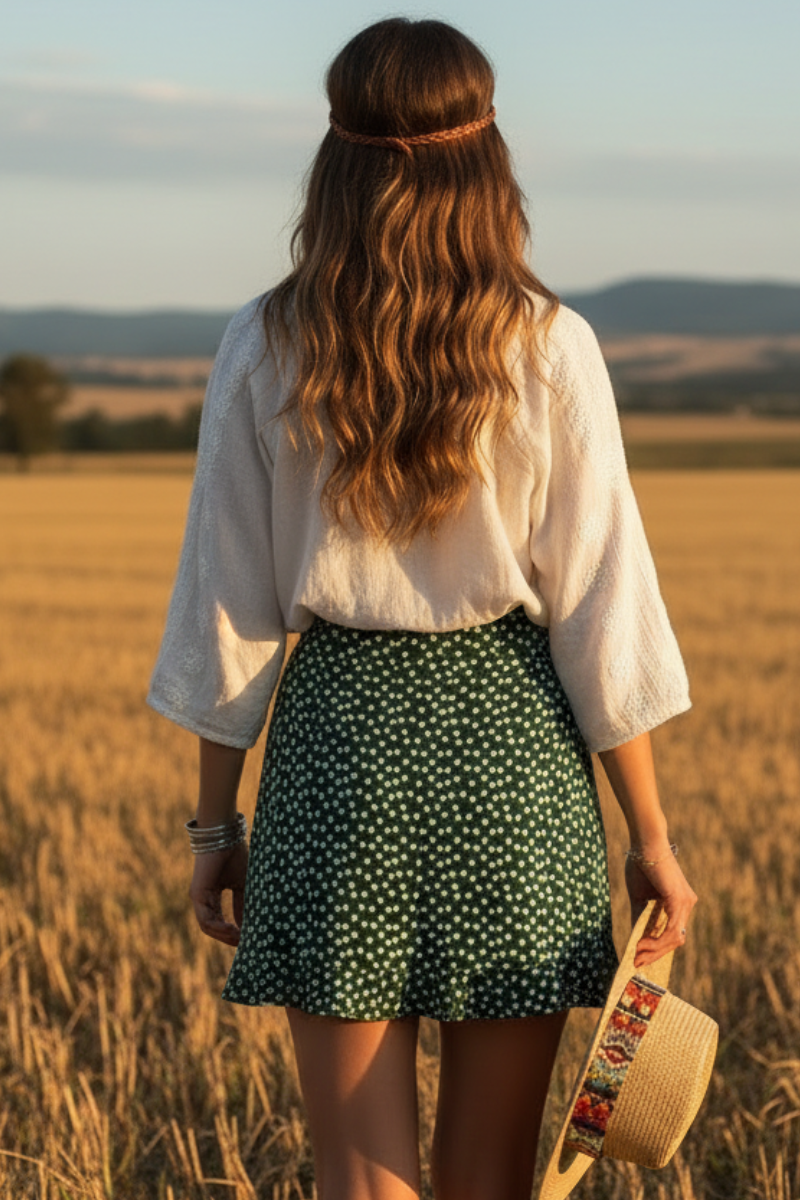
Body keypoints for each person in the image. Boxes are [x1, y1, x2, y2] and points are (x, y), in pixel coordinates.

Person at [147, 17, 698, 1200]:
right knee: (489, 1179)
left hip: (337, 762)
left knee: (360, 1181)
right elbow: (603, 609)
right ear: (489, 157)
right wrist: (649, 839)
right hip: (513, 765)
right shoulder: (551, 345)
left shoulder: (264, 342)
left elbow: (226, 608)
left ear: (332, 162)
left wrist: (213, 827)